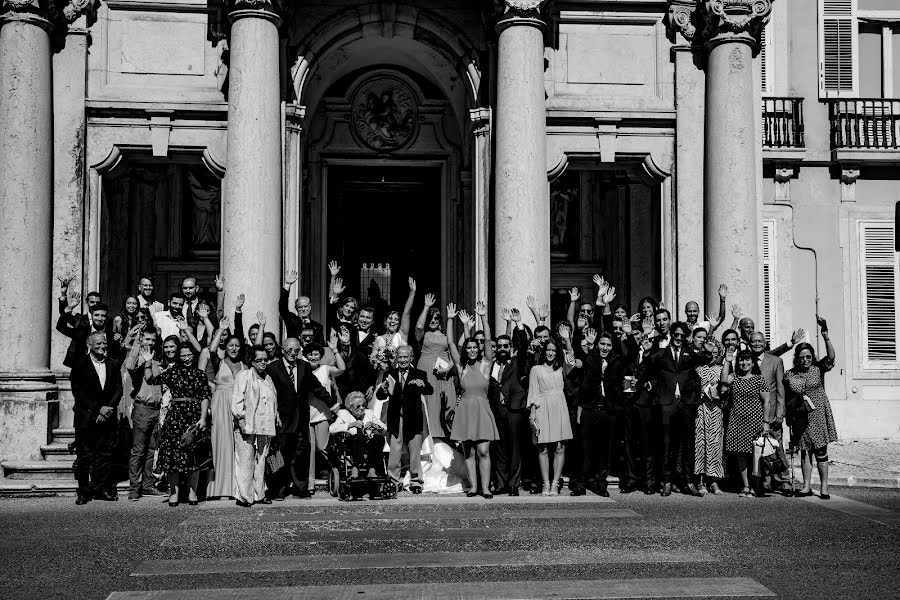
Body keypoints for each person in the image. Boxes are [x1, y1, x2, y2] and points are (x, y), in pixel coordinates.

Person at [635, 321, 709, 497]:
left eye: (682, 336)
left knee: (688, 444)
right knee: (667, 444)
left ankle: (689, 482)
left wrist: (707, 348)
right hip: (666, 404)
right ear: (671, 336)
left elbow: (705, 359)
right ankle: (667, 481)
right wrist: (646, 352)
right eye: (676, 335)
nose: (678, 338)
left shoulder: (689, 353)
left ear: (685, 337)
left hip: (686, 404)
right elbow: (643, 369)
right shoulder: (661, 354)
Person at [144, 342, 212, 506]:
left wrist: (203, 418)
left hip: (194, 417)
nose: (187, 358)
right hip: (175, 418)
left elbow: (204, 397)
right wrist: (147, 362)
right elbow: (150, 380)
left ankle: (192, 492)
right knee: (173, 457)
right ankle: (174, 492)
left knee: (193, 457)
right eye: (183, 356)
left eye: (189, 355)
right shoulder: (172, 372)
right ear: (179, 357)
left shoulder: (200, 374)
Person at [571, 327, 635, 497]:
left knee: (604, 449)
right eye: (602, 344)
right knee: (585, 448)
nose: (605, 347)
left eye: (608, 344)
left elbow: (632, 354)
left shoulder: (616, 361)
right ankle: (580, 483)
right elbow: (581, 354)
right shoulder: (591, 358)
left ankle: (601, 484)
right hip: (589, 410)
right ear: (598, 345)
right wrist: (590, 346)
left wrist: (628, 335)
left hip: (608, 411)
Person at [266, 336, 331, 499]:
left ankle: (300, 488)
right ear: (282, 350)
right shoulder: (272, 368)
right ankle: (277, 488)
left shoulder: (304, 366)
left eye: (296, 350)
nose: (293, 353)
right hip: (281, 420)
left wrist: (334, 404)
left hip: (301, 420)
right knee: (278, 455)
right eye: (289, 350)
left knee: (301, 455)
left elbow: (316, 387)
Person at [446, 302, 499, 498]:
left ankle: (485, 488)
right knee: (470, 453)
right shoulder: (461, 367)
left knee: (484, 451)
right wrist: (450, 319)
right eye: (468, 348)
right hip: (466, 410)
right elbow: (451, 344)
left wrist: (484, 317)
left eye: (474, 347)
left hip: (482, 409)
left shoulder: (485, 364)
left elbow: (488, 340)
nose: (471, 350)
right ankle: (473, 487)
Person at [785, 316, 838, 500]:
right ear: (796, 359)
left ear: (812, 357)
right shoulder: (789, 374)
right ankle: (806, 486)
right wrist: (787, 415)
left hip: (818, 415)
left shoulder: (818, 368)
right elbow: (786, 396)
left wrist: (825, 334)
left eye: (808, 357)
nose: (805, 360)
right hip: (800, 416)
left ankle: (824, 487)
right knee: (804, 450)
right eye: (802, 357)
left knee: (820, 451)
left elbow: (831, 357)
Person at [70, 332, 123, 504]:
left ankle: (101, 488)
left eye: (104, 343)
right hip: (86, 418)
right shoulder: (79, 365)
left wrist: (108, 409)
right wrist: (98, 410)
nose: (102, 346)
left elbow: (118, 389)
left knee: (105, 455)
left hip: (107, 417)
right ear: (89, 344)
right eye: (98, 343)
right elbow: (78, 392)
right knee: (85, 455)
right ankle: (84, 491)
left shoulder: (113, 364)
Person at [376, 345, 434, 494]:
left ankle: (416, 481)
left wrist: (423, 385)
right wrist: (383, 389)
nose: (402, 360)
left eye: (405, 357)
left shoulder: (419, 374)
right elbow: (380, 397)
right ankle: (393, 481)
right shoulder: (390, 373)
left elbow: (430, 390)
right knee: (395, 449)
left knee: (415, 450)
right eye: (400, 357)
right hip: (396, 417)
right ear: (396, 358)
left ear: (411, 358)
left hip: (413, 417)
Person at [231, 346, 280, 507]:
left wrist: (276, 416)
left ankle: (260, 494)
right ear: (251, 361)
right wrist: (241, 421)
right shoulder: (244, 376)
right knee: (245, 460)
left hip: (265, 425)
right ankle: (244, 496)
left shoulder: (268, 378)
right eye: (259, 360)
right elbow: (237, 400)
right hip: (248, 424)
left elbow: (273, 399)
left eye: (265, 359)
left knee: (261, 460)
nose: (263, 363)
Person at [721, 348, 772, 498]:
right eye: (742, 360)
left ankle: (756, 486)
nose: (744, 363)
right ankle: (746, 485)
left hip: (755, 422)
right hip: (737, 421)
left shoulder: (758, 379)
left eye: (747, 360)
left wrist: (766, 423)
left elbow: (766, 402)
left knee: (755, 455)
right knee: (741, 455)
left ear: (752, 362)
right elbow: (724, 380)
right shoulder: (734, 377)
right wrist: (727, 361)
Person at [527, 337, 574, 496]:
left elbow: (571, 360)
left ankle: (555, 483)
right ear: (543, 351)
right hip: (542, 406)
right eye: (548, 349)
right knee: (543, 447)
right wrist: (532, 413)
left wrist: (567, 340)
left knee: (560, 447)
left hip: (559, 406)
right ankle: (545, 483)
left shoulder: (561, 367)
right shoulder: (536, 369)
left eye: (554, 350)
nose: (551, 353)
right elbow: (533, 392)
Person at [124, 328, 166, 500]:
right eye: (147, 339)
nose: (150, 343)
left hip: (156, 408)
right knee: (139, 450)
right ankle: (134, 488)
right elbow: (130, 366)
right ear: (142, 339)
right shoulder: (140, 357)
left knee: (151, 450)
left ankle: (148, 485)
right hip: (143, 408)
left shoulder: (156, 359)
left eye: (153, 340)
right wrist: (136, 345)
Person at [206, 325, 246, 499]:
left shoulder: (245, 364)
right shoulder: (219, 361)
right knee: (222, 445)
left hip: (240, 404)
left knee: (240, 446)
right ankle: (222, 489)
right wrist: (221, 329)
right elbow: (212, 350)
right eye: (231, 345)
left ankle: (238, 487)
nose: (234, 348)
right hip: (221, 404)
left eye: (237, 345)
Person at [749, 331, 791, 495]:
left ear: (765, 344)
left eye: (760, 341)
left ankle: (784, 480)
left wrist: (780, 412)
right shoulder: (746, 360)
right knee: (759, 447)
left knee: (777, 446)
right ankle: (765, 480)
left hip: (772, 411)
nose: (757, 344)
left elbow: (781, 389)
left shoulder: (775, 361)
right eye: (754, 341)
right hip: (753, 411)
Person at [490, 329, 529, 496]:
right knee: (499, 449)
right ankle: (501, 484)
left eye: (506, 346)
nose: (502, 349)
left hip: (513, 410)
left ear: (511, 347)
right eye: (499, 346)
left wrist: (518, 326)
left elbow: (523, 346)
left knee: (514, 449)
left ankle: (514, 484)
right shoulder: (491, 364)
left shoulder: (516, 363)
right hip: (496, 411)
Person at [304, 338, 345, 491]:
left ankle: (336, 470)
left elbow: (342, 368)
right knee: (309, 450)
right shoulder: (302, 370)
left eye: (316, 355)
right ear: (305, 356)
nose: (313, 357)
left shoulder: (326, 369)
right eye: (310, 355)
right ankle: (310, 484)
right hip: (307, 416)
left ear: (320, 356)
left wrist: (334, 350)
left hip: (322, 415)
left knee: (322, 447)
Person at [414, 294, 457, 439]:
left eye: (436, 318)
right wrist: (426, 307)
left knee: (445, 403)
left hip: (443, 374)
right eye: (430, 318)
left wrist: (447, 369)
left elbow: (455, 357)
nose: (433, 320)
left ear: (440, 321)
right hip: (426, 372)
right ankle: (427, 435)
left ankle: (444, 435)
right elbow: (419, 326)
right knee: (427, 402)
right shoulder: (423, 335)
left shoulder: (446, 337)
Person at [329, 391, 388, 485]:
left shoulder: (369, 413)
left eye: (363, 405)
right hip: (351, 443)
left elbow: (384, 427)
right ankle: (355, 468)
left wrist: (374, 425)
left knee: (378, 438)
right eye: (358, 406)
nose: (362, 408)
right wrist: (351, 425)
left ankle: (372, 470)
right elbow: (332, 428)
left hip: (368, 443)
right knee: (359, 437)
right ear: (350, 408)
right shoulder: (343, 414)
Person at [692, 330, 725, 495]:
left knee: (715, 445)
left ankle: (714, 481)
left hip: (716, 410)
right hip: (700, 409)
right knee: (700, 444)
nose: (712, 356)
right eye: (709, 352)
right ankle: (701, 480)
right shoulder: (698, 368)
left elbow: (726, 388)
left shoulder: (722, 369)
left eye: (715, 353)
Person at [57, 299, 119, 369]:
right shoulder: (81, 331)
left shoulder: (112, 335)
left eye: (103, 316)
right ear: (91, 316)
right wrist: (69, 308)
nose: (99, 318)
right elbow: (61, 327)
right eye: (96, 315)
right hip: (83, 371)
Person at [373, 277, 417, 352]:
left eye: (396, 319)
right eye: (390, 318)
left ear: (399, 323)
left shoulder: (402, 335)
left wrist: (412, 292)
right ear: (385, 322)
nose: (392, 321)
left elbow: (406, 314)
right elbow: (373, 358)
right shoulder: (378, 339)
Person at [281, 269, 325, 341]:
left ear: (310, 307)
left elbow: (320, 346)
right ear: (296, 308)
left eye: (306, 306)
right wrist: (287, 285)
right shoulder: (291, 320)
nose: (303, 309)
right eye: (300, 307)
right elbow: (283, 307)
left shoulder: (317, 327)